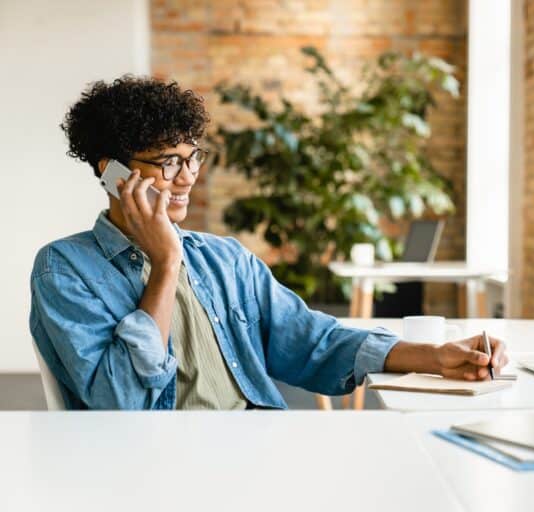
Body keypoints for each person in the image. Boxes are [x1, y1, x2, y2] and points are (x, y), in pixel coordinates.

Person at [29, 76, 508, 410]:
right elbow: (122, 402)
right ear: (110, 171)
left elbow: (312, 342)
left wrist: (436, 357)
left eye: (193, 157)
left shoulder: (225, 259)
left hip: (256, 440)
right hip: (158, 463)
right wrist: (165, 263)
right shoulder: (65, 268)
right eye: (168, 162)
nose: (189, 176)